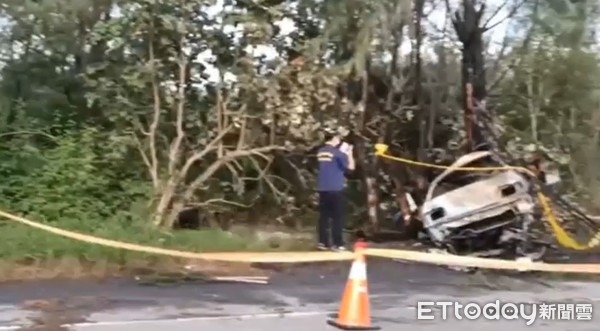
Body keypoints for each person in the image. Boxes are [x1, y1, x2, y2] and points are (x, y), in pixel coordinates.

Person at [316, 129, 355, 251]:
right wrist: (349, 153)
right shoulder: (338, 153)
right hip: (335, 188)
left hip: (323, 188)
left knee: (324, 216)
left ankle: (323, 242)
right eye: (337, 138)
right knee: (337, 217)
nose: (339, 141)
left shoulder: (320, 152)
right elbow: (351, 167)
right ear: (333, 139)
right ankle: (338, 243)